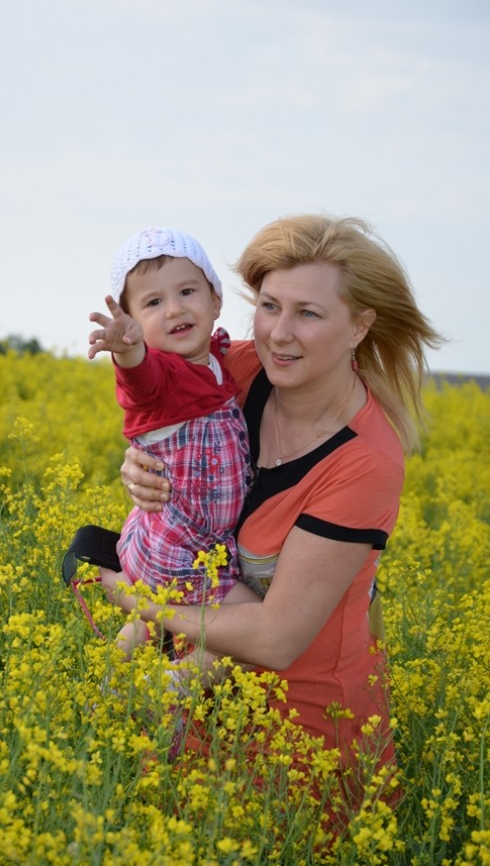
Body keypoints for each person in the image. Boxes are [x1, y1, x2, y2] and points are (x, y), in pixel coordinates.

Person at [99, 213, 443, 794]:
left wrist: (138, 599)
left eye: (308, 313)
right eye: (268, 305)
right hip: (193, 722)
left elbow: (277, 639)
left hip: (302, 748)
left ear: (360, 326)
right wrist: (138, 466)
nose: (279, 333)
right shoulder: (236, 370)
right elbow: (160, 416)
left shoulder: (364, 461)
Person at [88, 227, 256, 687]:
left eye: (187, 291)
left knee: (153, 617)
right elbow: (140, 378)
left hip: (176, 538)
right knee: (252, 628)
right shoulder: (161, 375)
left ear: (215, 300)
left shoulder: (216, 361)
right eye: (153, 303)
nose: (176, 308)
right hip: (181, 549)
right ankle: (162, 689)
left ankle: (104, 684)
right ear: (135, 322)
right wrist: (128, 350)